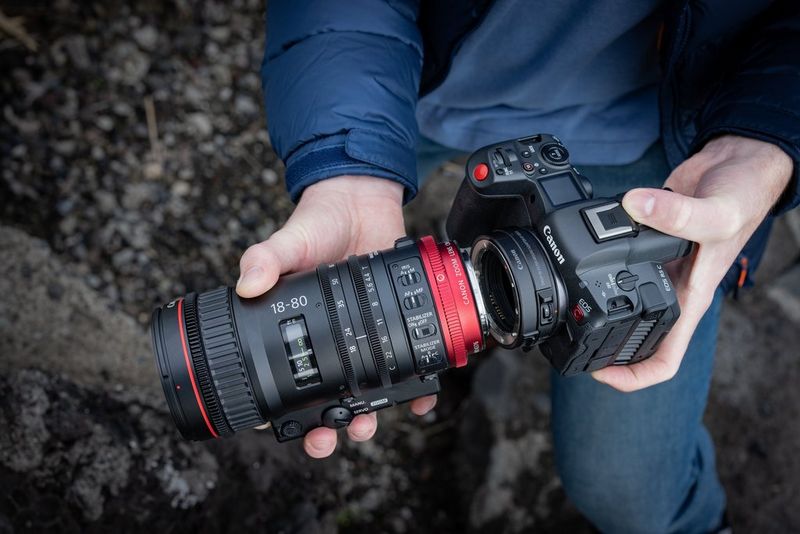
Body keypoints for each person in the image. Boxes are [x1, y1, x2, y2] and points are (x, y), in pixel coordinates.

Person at [237, 2, 799, 531]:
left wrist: (760, 145)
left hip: (657, 132)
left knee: (629, 491)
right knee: (313, 319)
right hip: (410, 79)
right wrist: (348, 168)